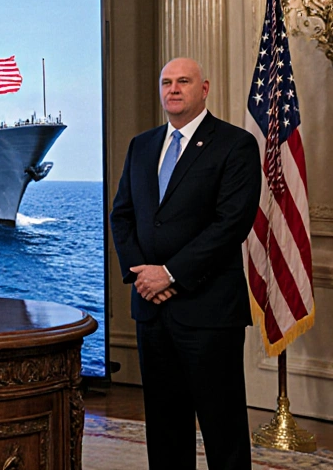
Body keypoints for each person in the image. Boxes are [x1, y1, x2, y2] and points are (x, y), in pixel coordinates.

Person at [109, 57, 261, 470]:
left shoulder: (235, 144)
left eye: (183, 82)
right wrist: (143, 275)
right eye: (166, 82)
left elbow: (232, 224)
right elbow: (121, 216)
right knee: (164, 428)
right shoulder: (142, 145)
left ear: (204, 88)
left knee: (222, 428)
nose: (173, 89)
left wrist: (171, 274)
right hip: (152, 311)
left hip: (209, 312)